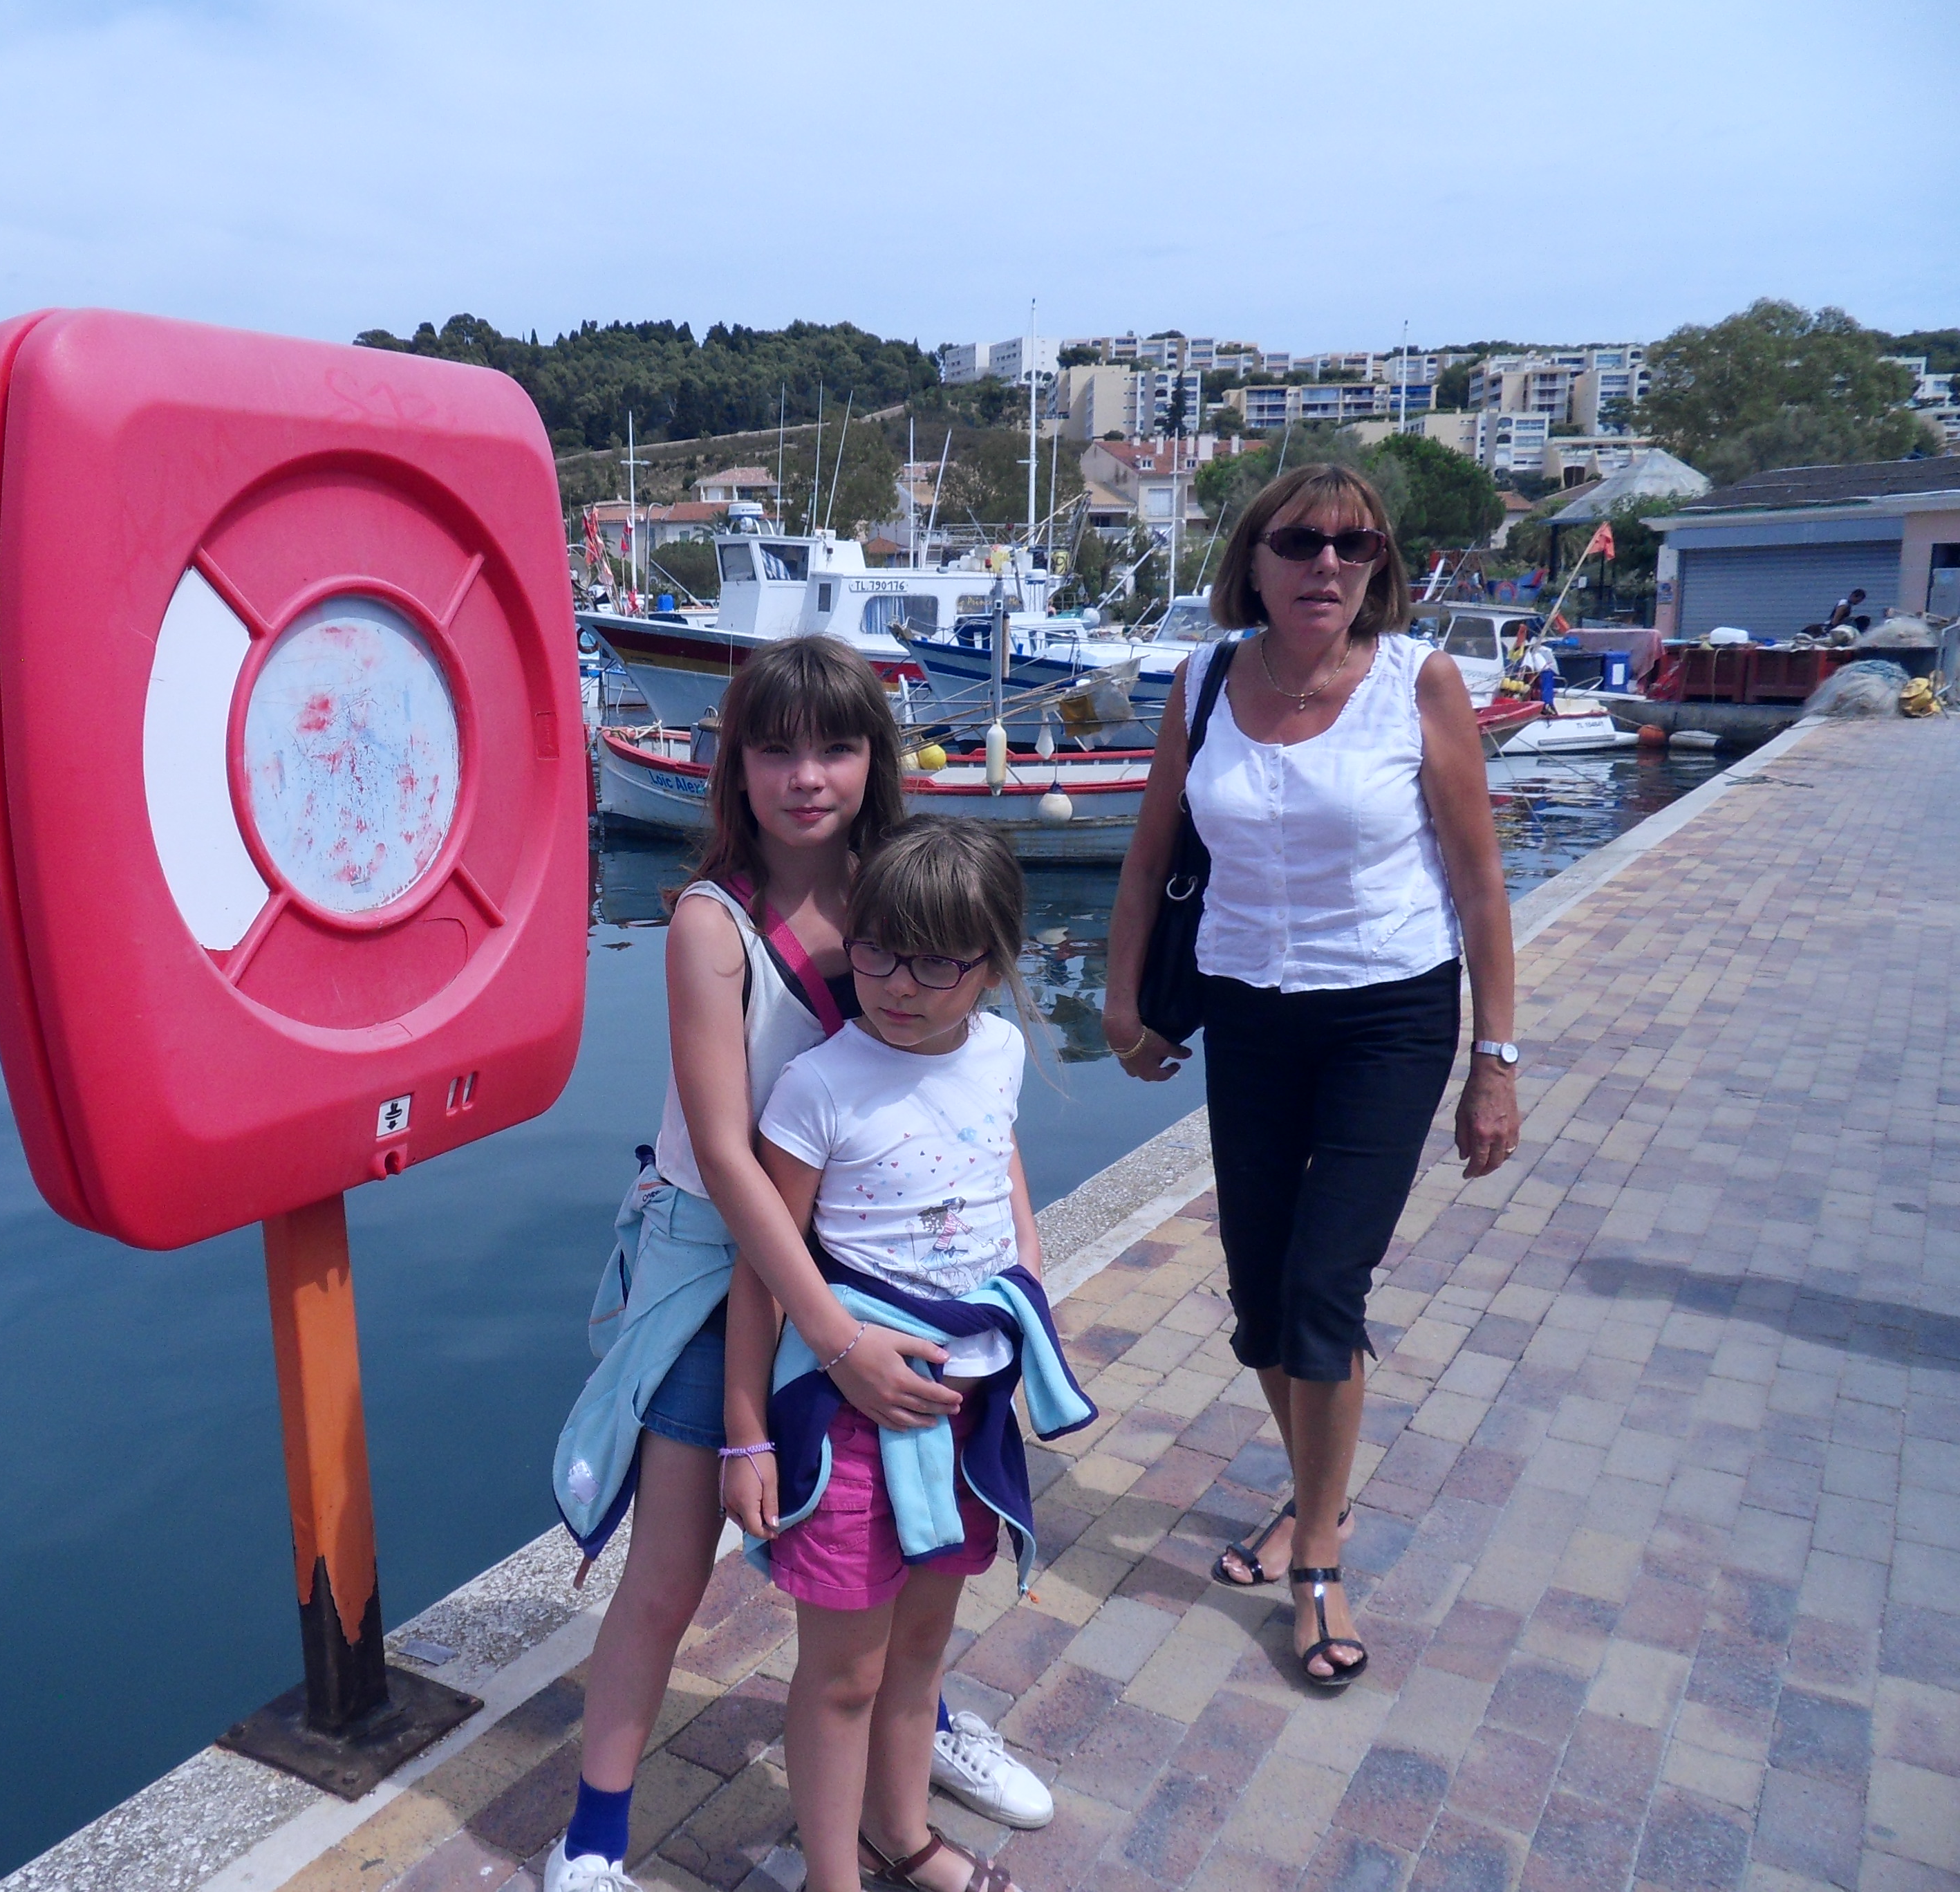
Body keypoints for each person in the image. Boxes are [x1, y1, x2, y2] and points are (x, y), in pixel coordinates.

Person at [548, 645, 1050, 1892]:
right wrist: (831, 1337)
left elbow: (967, 1084)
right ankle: (594, 1836)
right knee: (670, 1573)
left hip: (880, 1255)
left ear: (878, 757)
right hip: (727, 1261)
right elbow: (726, 1155)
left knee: (915, 1539)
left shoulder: (903, 885)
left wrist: (1021, 1284)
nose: (806, 776)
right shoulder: (711, 923)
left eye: (835, 747)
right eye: (775, 750)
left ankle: (917, 1740)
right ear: (737, 767)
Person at [1099, 465, 1520, 1690]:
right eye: (1299, 541)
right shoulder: (1205, 680)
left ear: (1379, 563)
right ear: (1256, 557)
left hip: (1388, 1016)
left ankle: (1320, 1559)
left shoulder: (1417, 683)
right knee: (1258, 1300)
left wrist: (1495, 1060)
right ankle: (1313, 1491)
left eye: (1355, 544)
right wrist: (1122, 1004)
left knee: (1324, 1286)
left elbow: (1480, 883)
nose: (1327, 563)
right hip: (1249, 1015)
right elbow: (1149, 860)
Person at [724, 819, 1094, 1892]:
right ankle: (831, 1875)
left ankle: (902, 1831)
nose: (898, 984)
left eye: (938, 964)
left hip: (965, 1407)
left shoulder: (1002, 1050)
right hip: (850, 1418)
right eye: (879, 951)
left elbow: (997, 1157)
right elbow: (764, 1266)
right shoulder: (818, 1087)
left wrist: (1024, 1265)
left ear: (994, 963)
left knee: (922, 1649)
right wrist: (745, 1433)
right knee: (845, 1671)